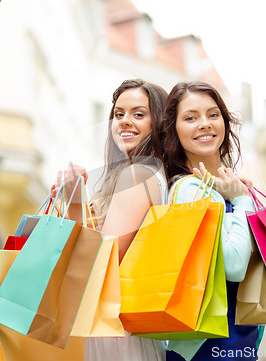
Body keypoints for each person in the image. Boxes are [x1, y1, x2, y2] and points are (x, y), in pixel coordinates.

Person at [51, 78, 168, 361]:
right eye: (119, 114)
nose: (125, 121)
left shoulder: (138, 174)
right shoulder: (141, 174)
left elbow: (103, 262)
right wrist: (73, 199)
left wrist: (75, 202)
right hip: (117, 326)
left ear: (159, 123)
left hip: (116, 330)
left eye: (139, 114)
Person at [160, 81, 264, 361]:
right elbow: (233, 266)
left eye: (213, 114)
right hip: (206, 348)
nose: (204, 124)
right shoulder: (191, 191)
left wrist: (241, 196)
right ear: (175, 130)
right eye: (191, 118)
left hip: (239, 342)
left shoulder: (233, 187)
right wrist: (242, 202)